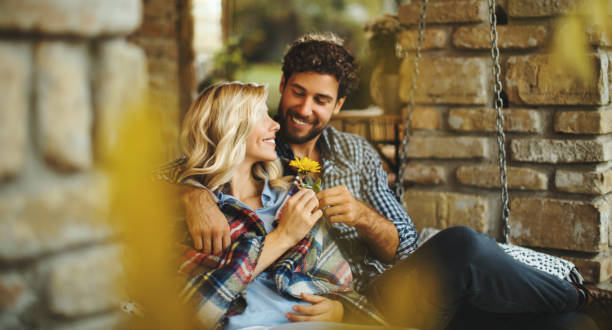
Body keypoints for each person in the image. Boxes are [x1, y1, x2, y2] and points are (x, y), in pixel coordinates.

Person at [164, 33, 608, 329]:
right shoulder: (258, 152)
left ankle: (581, 304)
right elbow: (186, 166)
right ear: (283, 84)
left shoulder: (356, 154)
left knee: (568, 326)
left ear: (337, 105)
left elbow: (406, 243)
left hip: (390, 288)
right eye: (297, 93)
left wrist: (361, 216)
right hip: (352, 302)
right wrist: (190, 191)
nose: (302, 109)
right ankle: (587, 298)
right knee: (464, 247)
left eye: (321, 100)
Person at [174, 81, 388, 329]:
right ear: (230, 127)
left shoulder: (289, 195)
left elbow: (338, 283)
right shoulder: (196, 211)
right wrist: (284, 236)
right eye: (260, 115)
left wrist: (340, 309)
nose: (275, 125)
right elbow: (192, 312)